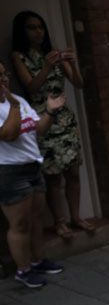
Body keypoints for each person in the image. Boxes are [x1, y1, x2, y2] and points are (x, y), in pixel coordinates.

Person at [10, 10, 89, 240]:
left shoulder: (52, 53)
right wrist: (46, 66)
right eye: (32, 27)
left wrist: (72, 64)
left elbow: (79, 84)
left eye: (40, 27)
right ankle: (60, 222)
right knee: (54, 177)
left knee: (73, 172)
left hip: (65, 119)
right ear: (22, 32)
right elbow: (31, 88)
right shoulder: (19, 56)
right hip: (44, 120)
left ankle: (76, 217)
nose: (38, 32)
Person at [1, 60, 65, 288]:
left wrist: (50, 111)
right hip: (9, 171)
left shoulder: (18, 100)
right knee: (19, 223)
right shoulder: (13, 104)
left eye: (4, 73)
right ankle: (23, 270)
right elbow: (8, 134)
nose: (4, 79)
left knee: (37, 217)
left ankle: (38, 261)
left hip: (32, 166)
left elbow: (38, 130)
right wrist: (14, 108)